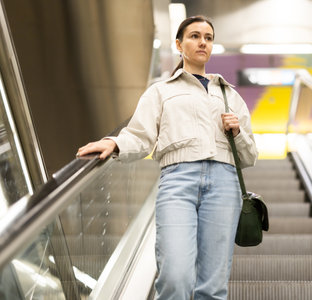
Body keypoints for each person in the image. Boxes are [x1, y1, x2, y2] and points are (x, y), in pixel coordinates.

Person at [77, 15, 258, 300]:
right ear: (179, 44)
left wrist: (237, 132)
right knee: (175, 278)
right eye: (195, 36)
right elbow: (140, 135)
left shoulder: (229, 95)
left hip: (224, 185)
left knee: (213, 287)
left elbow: (249, 157)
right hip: (177, 182)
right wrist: (114, 142)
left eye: (208, 38)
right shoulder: (160, 91)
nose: (202, 42)